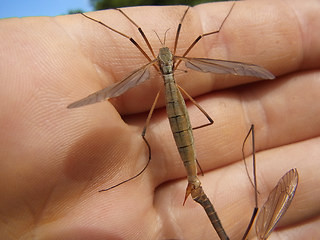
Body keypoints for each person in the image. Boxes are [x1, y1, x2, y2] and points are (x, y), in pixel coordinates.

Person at [0, 0, 319, 239]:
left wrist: (125, 20)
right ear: (173, 58)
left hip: (169, 92)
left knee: (153, 122)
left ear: (158, 61)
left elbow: (135, 38)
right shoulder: (182, 57)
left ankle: (148, 155)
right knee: (173, 123)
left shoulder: (158, 59)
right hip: (174, 90)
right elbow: (188, 39)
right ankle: (146, 158)